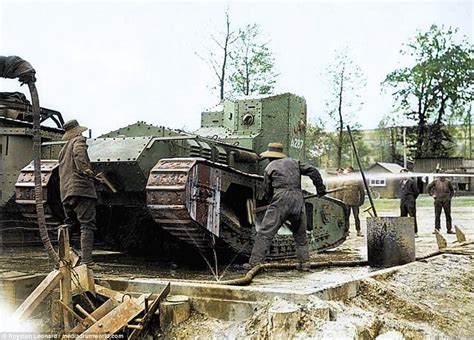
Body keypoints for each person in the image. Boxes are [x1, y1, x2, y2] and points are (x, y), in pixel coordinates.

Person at [245, 142, 327, 270]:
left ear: (270, 156)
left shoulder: (270, 167)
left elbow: (267, 190)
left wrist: (271, 201)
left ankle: (254, 263)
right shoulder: (295, 162)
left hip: (281, 199)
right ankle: (304, 263)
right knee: (300, 235)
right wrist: (320, 189)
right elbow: (313, 171)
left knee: (265, 233)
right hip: (298, 199)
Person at [58, 119, 98, 265]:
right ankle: (87, 262)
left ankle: (63, 259)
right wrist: (87, 171)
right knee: (87, 224)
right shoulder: (79, 141)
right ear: (78, 131)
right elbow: (79, 155)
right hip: (82, 190)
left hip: (66, 192)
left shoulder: (63, 150)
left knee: (69, 224)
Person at [427, 169, 455, 234]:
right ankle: (437, 229)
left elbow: (452, 190)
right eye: (440, 174)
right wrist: (432, 195)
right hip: (438, 200)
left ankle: (449, 229)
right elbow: (428, 187)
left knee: (448, 215)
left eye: (443, 174)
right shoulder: (435, 181)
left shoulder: (448, 182)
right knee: (437, 215)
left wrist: (449, 197)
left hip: (446, 200)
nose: (442, 175)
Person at [341, 166, 365, 237]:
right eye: (347, 171)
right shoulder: (344, 180)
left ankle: (358, 231)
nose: (347, 173)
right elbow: (340, 190)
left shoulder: (357, 180)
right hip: (346, 202)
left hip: (355, 202)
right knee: (346, 217)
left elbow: (362, 192)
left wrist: (361, 201)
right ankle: (346, 231)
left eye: (348, 171)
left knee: (356, 217)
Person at [399, 168, 419, 236]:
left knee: (412, 216)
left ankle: (414, 232)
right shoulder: (401, 182)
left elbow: (416, 191)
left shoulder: (412, 182)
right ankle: (404, 231)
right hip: (403, 200)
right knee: (403, 216)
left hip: (410, 200)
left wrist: (412, 198)